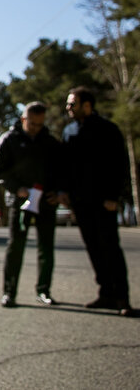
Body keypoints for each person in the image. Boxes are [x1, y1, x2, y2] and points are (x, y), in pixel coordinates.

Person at [63, 87, 134, 317]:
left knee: (110, 249)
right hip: (81, 204)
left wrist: (115, 197)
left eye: (72, 104)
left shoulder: (107, 130)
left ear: (87, 105)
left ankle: (122, 297)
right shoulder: (69, 131)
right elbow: (65, 168)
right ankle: (106, 294)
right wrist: (67, 195)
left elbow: (121, 166)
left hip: (105, 202)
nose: (68, 108)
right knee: (93, 249)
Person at [0, 101, 65, 308]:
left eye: (39, 125)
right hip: (20, 202)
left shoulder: (50, 142)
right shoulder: (9, 140)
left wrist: (57, 192)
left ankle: (44, 290)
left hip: (46, 203)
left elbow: (61, 171)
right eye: (32, 123)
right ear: (24, 119)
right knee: (16, 246)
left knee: (46, 247)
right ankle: (9, 292)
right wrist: (17, 188)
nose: (35, 128)